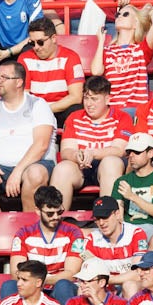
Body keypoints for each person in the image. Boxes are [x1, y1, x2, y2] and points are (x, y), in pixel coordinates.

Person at [0, 60, 57, 215]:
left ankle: (29, 226)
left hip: (32, 165)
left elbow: (41, 145)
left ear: (19, 82)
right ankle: (0, 223)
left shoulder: (38, 104)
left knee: (35, 174)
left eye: (4, 77)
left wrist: (18, 172)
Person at [51, 74, 130, 207]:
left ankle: (108, 217)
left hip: (109, 168)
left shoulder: (122, 117)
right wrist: (77, 155)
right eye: (86, 98)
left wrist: (92, 153)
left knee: (110, 162)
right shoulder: (74, 117)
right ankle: (55, 219)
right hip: (80, 168)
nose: (89, 104)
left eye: (94, 99)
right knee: (62, 168)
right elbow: (66, 151)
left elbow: (119, 150)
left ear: (107, 99)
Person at [18, 16, 85, 118]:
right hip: (34, 113)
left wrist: (46, 109)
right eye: (32, 43)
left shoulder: (71, 58)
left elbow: (76, 97)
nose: (36, 47)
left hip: (60, 111)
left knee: (76, 110)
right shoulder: (24, 59)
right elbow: (23, 96)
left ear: (53, 38)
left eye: (40, 42)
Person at [114, 133, 153, 252]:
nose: (131, 156)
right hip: (129, 228)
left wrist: (132, 196)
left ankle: (145, 268)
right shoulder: (122, 181)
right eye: (129, 152)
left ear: (150, 153)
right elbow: (119, 217)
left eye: (137, 152)